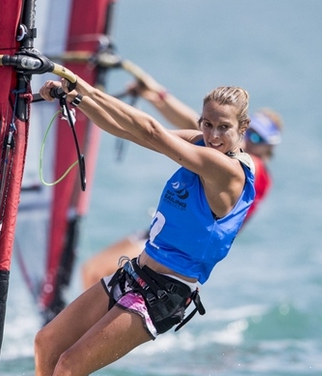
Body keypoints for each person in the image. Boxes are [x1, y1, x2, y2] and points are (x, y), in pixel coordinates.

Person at [0, 71, 256, 376]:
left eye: (223, 127)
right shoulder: (202, 145)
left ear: (243, 129)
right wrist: (76, 97)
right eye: (206, 124)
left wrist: (80, 86)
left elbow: (152, 130)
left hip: (165, 292)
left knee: (69, 364)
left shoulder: (227, 171)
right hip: (137, 273)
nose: (211, 133)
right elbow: (131, 130)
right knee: (48, 343)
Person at [80, 76, 283, 290]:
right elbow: (187, 127)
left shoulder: (252, 169)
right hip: (165, 231)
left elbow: (167, 130)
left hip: (180, 251)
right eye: (252, 135)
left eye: (259, 139)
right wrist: (154, 94)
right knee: (91, 270)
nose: (251, 141)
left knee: (100, 275)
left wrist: (156, 96)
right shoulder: (217, 145)